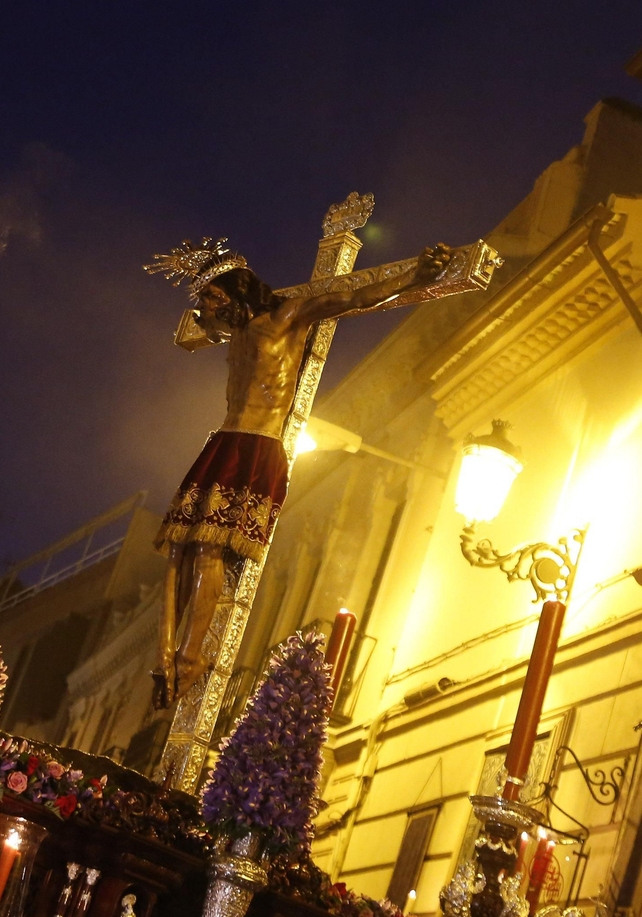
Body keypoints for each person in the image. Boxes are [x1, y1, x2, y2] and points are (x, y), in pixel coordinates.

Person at [145, 236, 451, 708]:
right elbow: (192, 330)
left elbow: (351, 296)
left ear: (231, 291)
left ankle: (190, 656)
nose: (205, 309)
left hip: (256, 447)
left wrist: (416, 276)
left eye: (209, 296)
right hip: (223, 442)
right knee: (181, 549)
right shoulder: (233, 334)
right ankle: (168, 654)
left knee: (208, 547)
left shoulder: (284, 318)